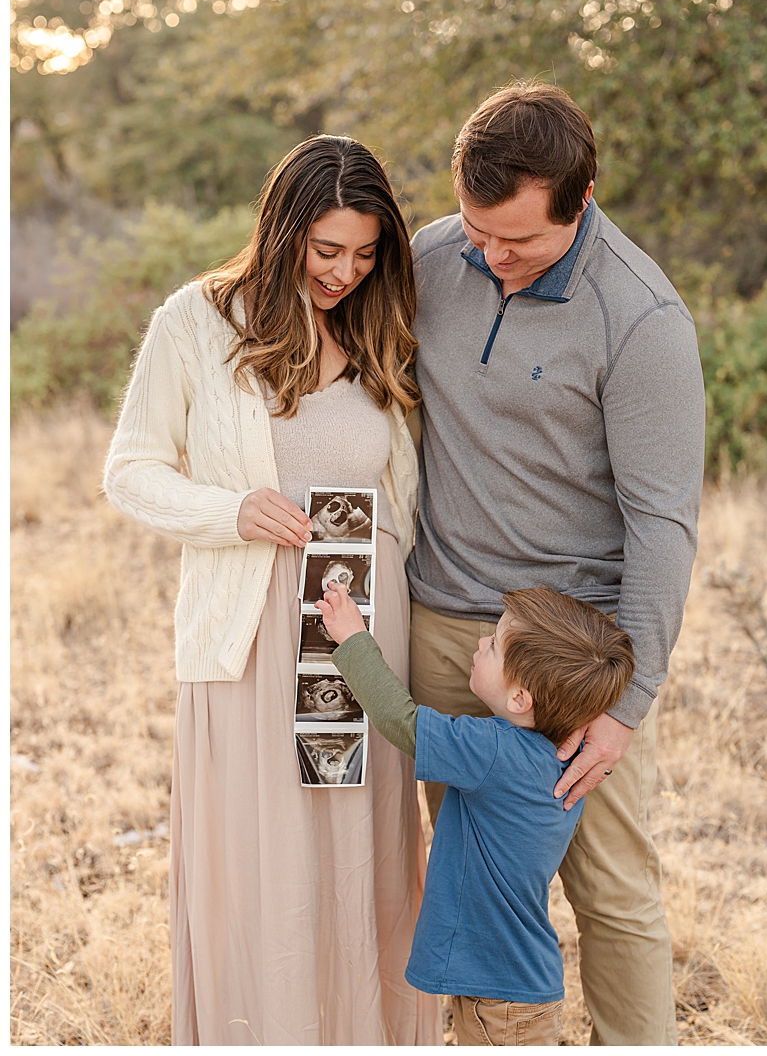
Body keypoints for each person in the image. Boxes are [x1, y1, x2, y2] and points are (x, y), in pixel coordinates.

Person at [102, 135, 439, 1043]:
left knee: (362, 856)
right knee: (268, 861)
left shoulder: (379, 324)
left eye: (366, 254)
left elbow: (404, 493)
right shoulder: (197, 321)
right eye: (326, 250)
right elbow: (129, 470)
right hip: (251, 637)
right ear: (283, 230)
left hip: (365, 630)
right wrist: (232, 510)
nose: (344, 272)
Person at [406, 81, 703, 1045]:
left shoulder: (641, 317)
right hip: (442, 627)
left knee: (613, 893)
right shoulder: (431, 257)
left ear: (582, 199)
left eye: (519, 241)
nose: (490, 257)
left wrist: (626, 707)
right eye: (476, 229)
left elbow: (664, 525)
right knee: (466, 880)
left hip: (574, 658)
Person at [315, 581, 635, 1046]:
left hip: (500, 996)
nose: (480, 642)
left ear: (521, 699)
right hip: (513, 985)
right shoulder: (559, 755)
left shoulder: (494, 753)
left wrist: (352, 638)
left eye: (495, 645)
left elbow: (401, 723)